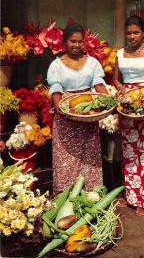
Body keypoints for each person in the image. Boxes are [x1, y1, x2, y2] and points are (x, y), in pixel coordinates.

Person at [47, 23, 107, 194]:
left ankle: (91, 196)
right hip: (66, 116)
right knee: (66, 158)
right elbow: (56, 88)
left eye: (80, 42)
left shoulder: (92, 62)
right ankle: (65, 200)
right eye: (73, 41)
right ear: (65, 42)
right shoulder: (56, 65)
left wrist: (107, 99)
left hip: (88, 114)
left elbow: (98, 83)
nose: (77, 45)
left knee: (89, 159)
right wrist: (60, 106)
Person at [114, 16, 144, 215]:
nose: (132, 36)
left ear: (143, 33)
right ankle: (133, 196)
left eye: (136, 32)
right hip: (127, 106)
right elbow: (116, 80)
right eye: (128, 33)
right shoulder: (119, 54)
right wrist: (120, 89)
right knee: (129, 150)